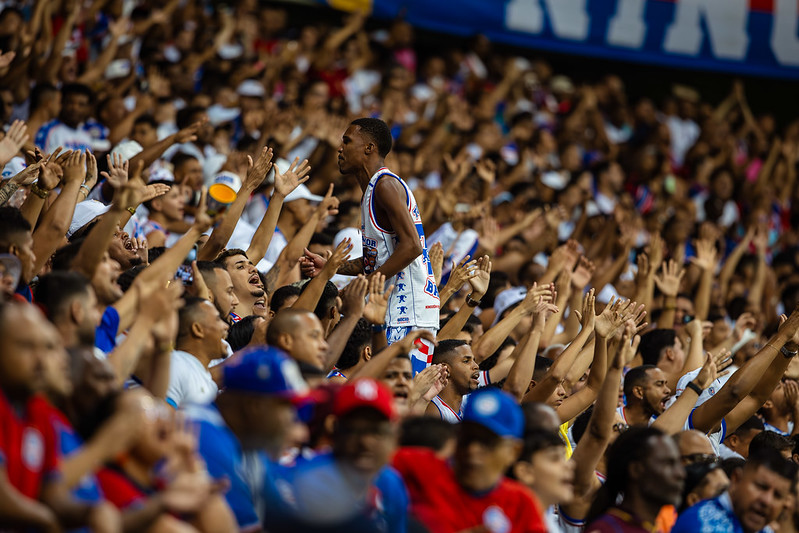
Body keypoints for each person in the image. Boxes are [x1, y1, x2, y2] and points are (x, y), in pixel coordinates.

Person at [301, 117, 439, 374]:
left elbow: (412, 247)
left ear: (369, 148)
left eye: (347, 141)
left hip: (408, 311)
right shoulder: (374, 190)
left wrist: (366, 284)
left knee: (401, 392)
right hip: (397, 308)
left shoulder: (384, 186)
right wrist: (333, 266)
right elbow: (374, 262)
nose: (340, 148)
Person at [186, 345, 312, 532]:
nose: (292, 418)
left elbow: (280, 514)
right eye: (286, 406)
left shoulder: (248, 439)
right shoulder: (201, 436)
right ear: (255, 406)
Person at [393, 387, 548, 532]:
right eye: (467, 438)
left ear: (514, 452)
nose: (472, 449)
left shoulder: (521, 504)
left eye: (487, 442)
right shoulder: (417, 468)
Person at [281, 378, 408, 532]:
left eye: (376, 432)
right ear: (335, 431)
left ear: (393, 436)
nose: (365, 442)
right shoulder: (302, 478)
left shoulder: (391, 483)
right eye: (354, 431)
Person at [673, 447, 797, 533]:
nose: (767, 500)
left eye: (777, 495)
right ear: (736, 479)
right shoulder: (700, 524)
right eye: (761, 487)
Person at [586, 426, 685, 532]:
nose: (681, 474)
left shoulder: (653, 528)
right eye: (668, 464)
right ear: (636, 470)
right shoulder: (606, 529)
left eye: (679, 464)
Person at [166, 297, 230, 408]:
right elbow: (160, 420)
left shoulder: (208, 383)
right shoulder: (175, 365)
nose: (226, 326)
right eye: (217, 319)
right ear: (198, 329)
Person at [426, 339, 480, 422]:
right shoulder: (434, 413)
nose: (476, 366)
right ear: (446, 369)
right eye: (466, 361)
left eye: (474, 360)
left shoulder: (468, 404)